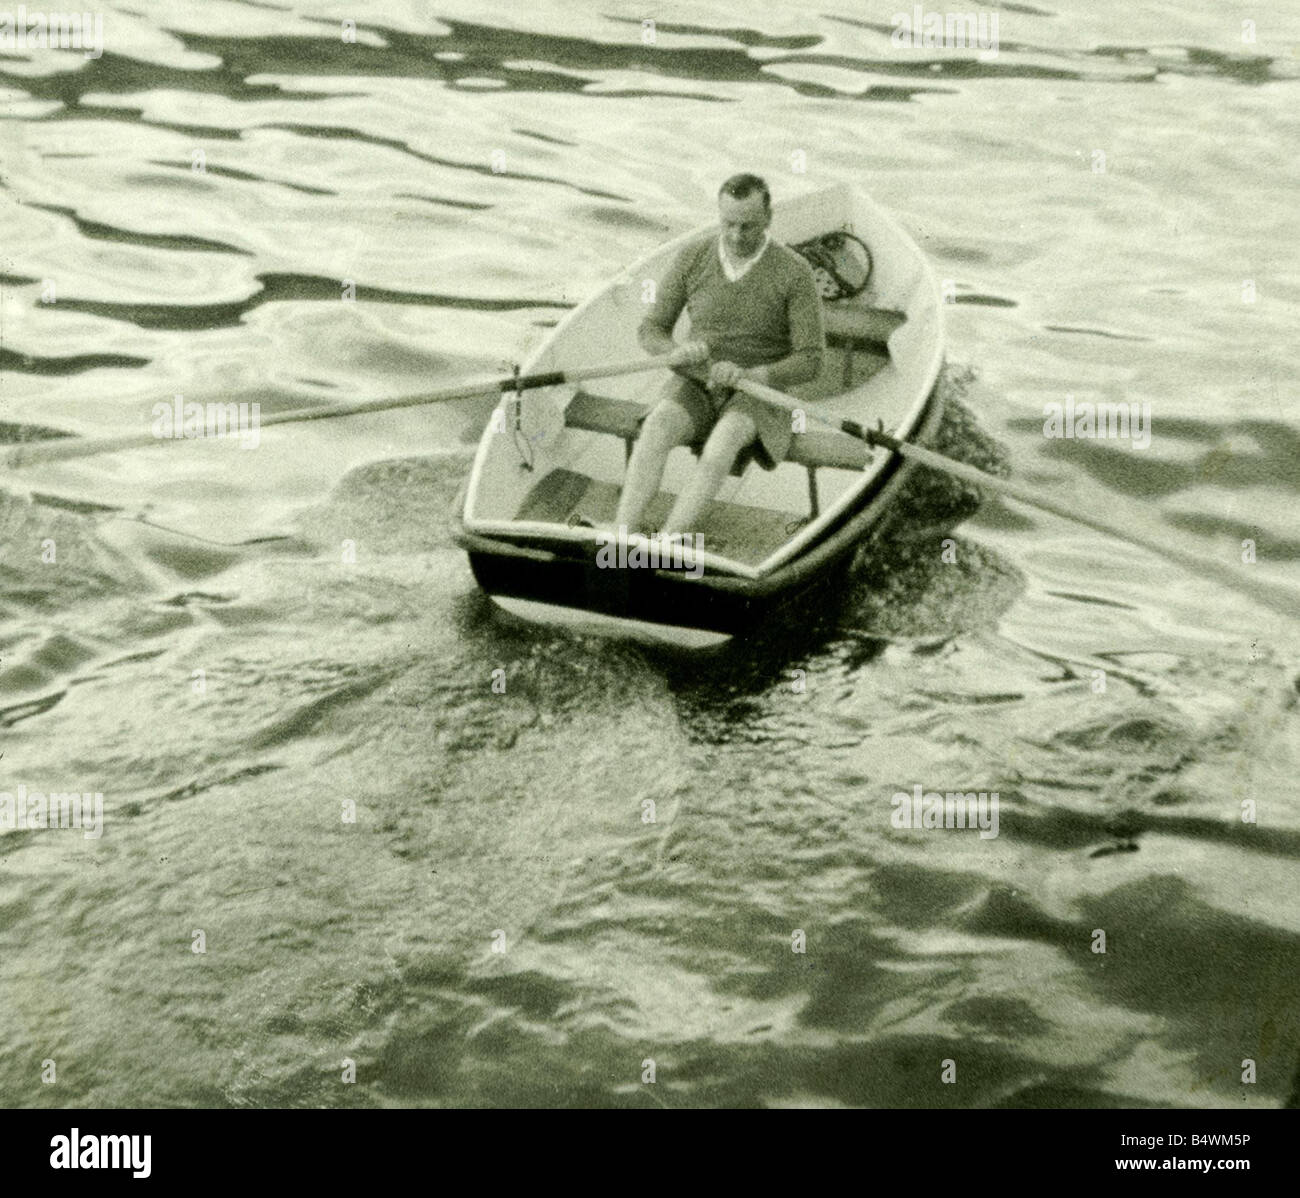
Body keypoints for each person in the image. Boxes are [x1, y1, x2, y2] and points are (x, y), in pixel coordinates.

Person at [615, 174, 826, 541]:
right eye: (728, 223)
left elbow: (811, 361)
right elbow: (650, 331)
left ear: (769, 218)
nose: (736, 235)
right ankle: (621, 537)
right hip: (697, 381)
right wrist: (675, 352)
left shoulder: (795, 272)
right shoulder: (693, 256)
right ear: (718, 215)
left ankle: (668, 541)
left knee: (722, 443)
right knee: (656, 426)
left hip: (760, 393)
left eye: (749, 226)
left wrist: (752, 375)